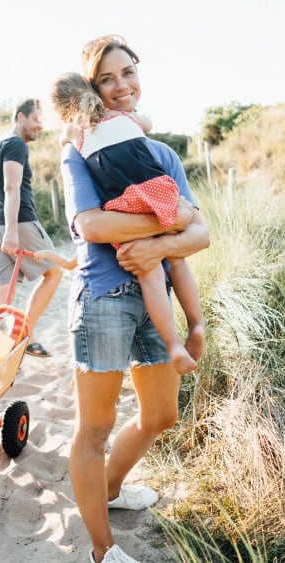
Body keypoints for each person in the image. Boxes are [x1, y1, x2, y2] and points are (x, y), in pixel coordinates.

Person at [61, 35, 210, 563]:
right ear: (91, 90)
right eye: (107, 78)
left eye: (128, 72)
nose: (122, 86)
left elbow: (201, 235)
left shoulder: (161, 152)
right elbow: (92, 224)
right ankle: (103, 549)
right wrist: (168, 221)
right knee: (93, 429)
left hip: (155, 296)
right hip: (103, 295)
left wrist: (156, 246)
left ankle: (112, 489)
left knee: (161, 415)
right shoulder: (81, 146)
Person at [50, 71, 203, 375]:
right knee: (177, 261)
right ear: (94, 91)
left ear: (63, 111)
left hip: (129, 204)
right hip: (161, 190)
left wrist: (69, 130)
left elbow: (65, 138)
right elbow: (147, 124)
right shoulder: (127, 121)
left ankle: (173, 344)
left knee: (149, 272)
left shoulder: (77, 133)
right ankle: (196, 324)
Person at [0, 98, 62, 357]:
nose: (39, 126)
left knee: (3, 293)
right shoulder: (15, 143)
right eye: (36, 120)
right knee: (55, 272)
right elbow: (11, 187)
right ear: (20, 117)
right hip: (18, 224)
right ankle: (25, 335)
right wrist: (12, 231)